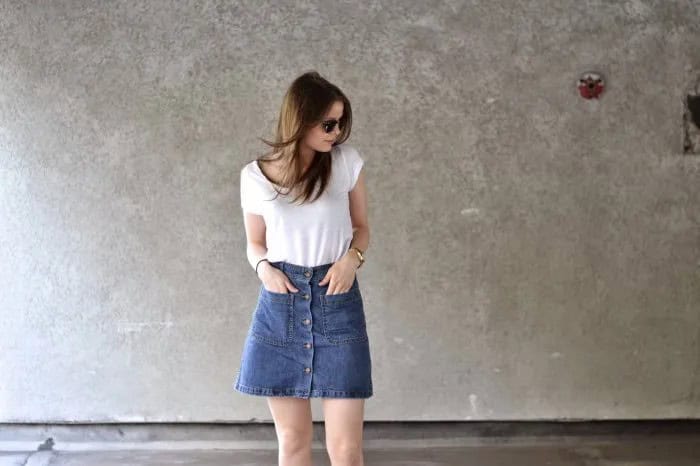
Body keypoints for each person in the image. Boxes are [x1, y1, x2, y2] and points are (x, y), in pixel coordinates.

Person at [233, 70, 372, 466]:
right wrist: (265, 271)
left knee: (345, 451)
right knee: (293, 444)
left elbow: (362, 228)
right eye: (328, 123)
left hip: (337, 300)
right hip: (282, 304)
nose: (337, 133)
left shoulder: (346, 163)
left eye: (341, 123)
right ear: (301, 120)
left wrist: (351, 260)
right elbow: (254, 243)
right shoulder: (255, 176)